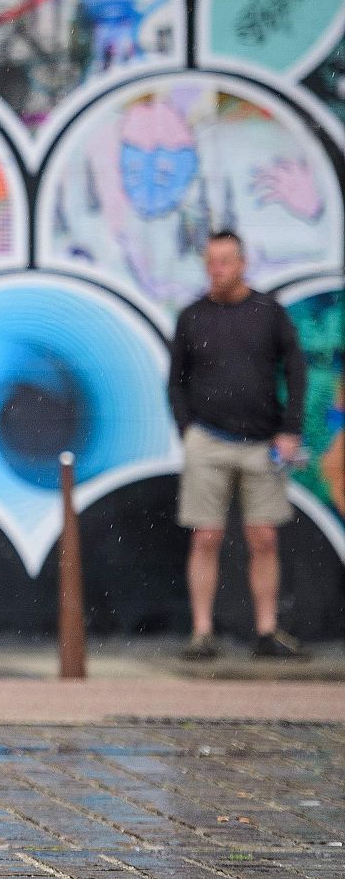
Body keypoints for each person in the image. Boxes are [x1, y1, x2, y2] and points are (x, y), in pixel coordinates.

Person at [168, 230, 310, 661]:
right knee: (205, 535)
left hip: (262, 442)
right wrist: (187, 430)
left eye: (224, 262)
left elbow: (297, 369)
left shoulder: (268, 313)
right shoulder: (193, 316)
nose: (216, 271)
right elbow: (175, 381)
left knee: (263, 536)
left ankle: (266, 630)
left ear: (242, 263)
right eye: (210, 263)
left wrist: (290, 430)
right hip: (207, 440)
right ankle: (202, 632)